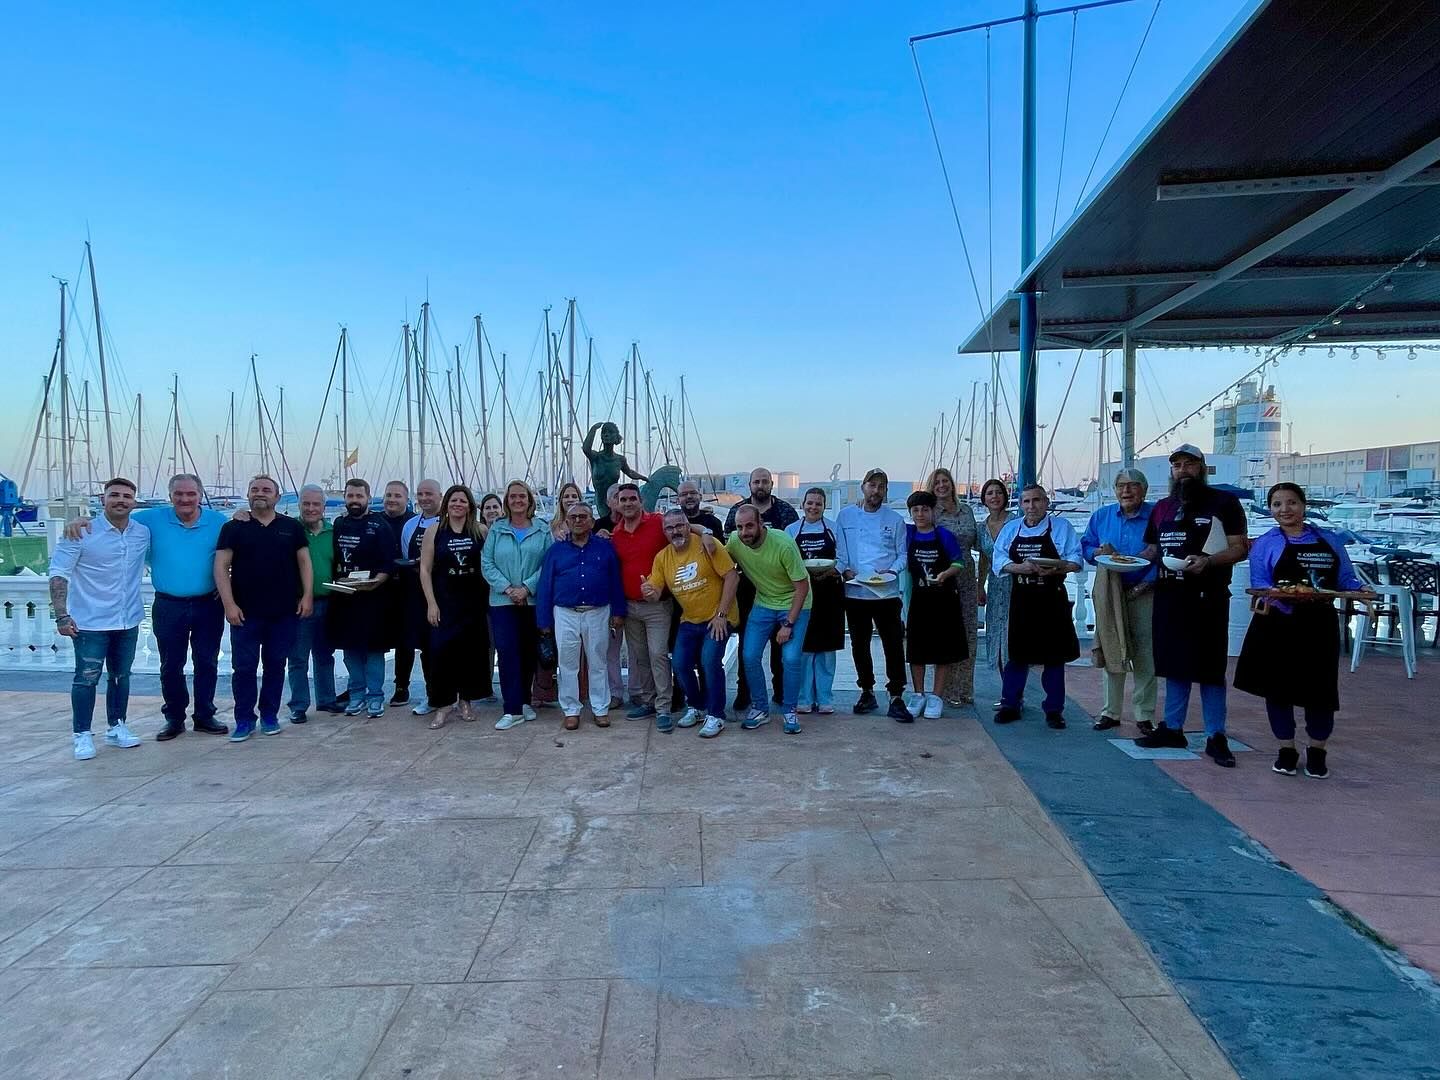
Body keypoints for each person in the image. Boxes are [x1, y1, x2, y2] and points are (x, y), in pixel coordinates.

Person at [63, 472, 231, 738]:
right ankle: (174, 718)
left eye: (191, 494)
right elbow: (115, 518)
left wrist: (243, 513)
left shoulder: (218, 521)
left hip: (208, 604)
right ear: (170, 496)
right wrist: (81, 520)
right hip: (168, 605)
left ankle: (204, 715)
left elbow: (237, 547)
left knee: (207, 662)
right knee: (170, 665)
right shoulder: (150, 520)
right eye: (179, 494)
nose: (185, 499)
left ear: (200, 495)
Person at [1234, 483, 1371, 779]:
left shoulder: (1330, 539)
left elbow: (1345, 578)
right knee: (1278, 690)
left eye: (1292, 502)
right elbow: (1261, 585)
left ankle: (1317, 751)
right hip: (1277, 625)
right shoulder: (1266, 543)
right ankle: (1286, 749)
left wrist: (1360, 589)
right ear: (1270, 509)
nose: (1285, 509)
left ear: (1304, 505)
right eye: (1277, 504)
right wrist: (1286, 600)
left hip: (1319, 625)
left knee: (1320, 691)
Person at [1133, 444, 1250, 767]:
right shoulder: (1162, 508)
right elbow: (1152, 550)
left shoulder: (1224, 502)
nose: (1183, 470)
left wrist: (1209, 561)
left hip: (1208, 596)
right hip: (1169, 596)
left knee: (1210, 669)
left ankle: (1216, 735)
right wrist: (1122, 561)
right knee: (1174, 665)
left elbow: (1240, 547)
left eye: (1189, 464)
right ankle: (1172, 728)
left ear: (1202, 468)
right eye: (1177, 465)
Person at [49, 477, 150, 760]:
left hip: (127, 619)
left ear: (134, 502)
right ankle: (81, 734)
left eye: (127, 496)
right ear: (102, 499)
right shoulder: (81, 532)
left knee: (121, 676)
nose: (121, 500)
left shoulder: (142, 532)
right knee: (86, 678)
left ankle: (117, 726)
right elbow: (59, 574)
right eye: (114, 495)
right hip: (90, 621)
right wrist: (61, 615)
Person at [214, 475, 313, 741]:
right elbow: (221, 566)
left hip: (283, 612)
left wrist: (307, 596)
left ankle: (269, 715)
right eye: (255, 489)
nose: (260, 493)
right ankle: (244, 719)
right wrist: (229, 604)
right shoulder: (234, 527)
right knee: (244, 668)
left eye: (266, 490)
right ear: (247, 494)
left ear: (277, 497)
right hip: (245, 612)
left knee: (276, 665)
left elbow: (304, 562)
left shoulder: (291, 527)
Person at [612, 482, 717, 727]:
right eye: (623, 499)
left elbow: (686, 527)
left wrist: (707, 533)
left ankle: (663, 708)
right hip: (630, 606)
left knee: (658, 654)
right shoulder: (615, 533)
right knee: (640, 658)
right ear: (617, 504)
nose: (628, 503)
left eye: (632, 498)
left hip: (658, 606)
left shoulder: (658, 522)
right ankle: (648, 701)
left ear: (641, 501)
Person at [992, 484, 1083, 729]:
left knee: (1054, 656)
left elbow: (1076, 559)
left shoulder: (1061, 527)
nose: (1031, 506)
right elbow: (998, 559)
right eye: (1027, 501)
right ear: (1021, 504)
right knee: (1017, 654)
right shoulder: (1012, 528)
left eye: (1037, 500)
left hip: (1051, 597)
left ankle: (1054, 710)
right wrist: (1019, 567)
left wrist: (1057, 568)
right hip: (1022, 597)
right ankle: (1010, 704)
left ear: (1046, 502)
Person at [645, 507, 740, 738]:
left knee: (709, 661)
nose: (675, 531)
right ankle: (697, 706)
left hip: (719, 617)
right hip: (690, 620)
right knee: (679, 663)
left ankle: (716, 715)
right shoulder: (662, 557)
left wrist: (721, 615)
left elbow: (732, 576)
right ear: (664, 532)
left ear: (688, 526)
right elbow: (655, 590)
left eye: (679, 525)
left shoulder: (707, 544)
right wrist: (649, 592)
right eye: (669, 528)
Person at [536, 501, 626, 729]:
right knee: (567, 663)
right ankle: (571, 710)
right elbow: (545, 586)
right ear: (566, 521)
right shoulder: (555, 551)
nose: (578, 520)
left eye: (583, 517)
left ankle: (600, 708)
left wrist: (618, 611)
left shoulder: (605, 548)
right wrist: (544, 621)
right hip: (565, 613)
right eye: (573, 517)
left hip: (598, 612)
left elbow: (615, 581)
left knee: (598, 661)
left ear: (592, 522)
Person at [1081, 469, 1158, 734]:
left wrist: (1145, 583)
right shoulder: (1101, 516)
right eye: (1121, 486)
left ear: (1144, 490)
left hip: (1146, 591)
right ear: (1115, 491)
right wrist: (1097, 552)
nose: (1126, 491)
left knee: (1146, 654)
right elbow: (1086, 546)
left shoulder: (1156, 516)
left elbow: (1164, 552)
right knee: (1112, 647)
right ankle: (1110, 712)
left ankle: (1144, 715)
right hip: (1110, 592)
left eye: (1133, 485)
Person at [725, 504, 811, 734]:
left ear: (761, 524)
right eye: (740, 527)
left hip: (795, 602)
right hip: (764, 602)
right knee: (749, 655)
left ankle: (790, 710)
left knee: (790, 658)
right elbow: (718, 560)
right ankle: (760, 708)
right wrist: (702, 532)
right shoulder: (734, 541)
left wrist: (788, 624)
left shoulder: (783, 544)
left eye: (749, 526)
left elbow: (802, 587)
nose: (744, 532)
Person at [837, 468, 911, 721]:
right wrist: (845, 570)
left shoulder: (895, 520)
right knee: (859, 644)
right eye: (872, 485)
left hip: (886, 592)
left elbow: (902, 554)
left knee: (893, 644)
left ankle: (896, 694)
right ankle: (866, 691)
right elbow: (841, 552)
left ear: (885, 491)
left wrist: (891, 571)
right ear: (863, 487)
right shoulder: (846, 516)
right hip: (855, 591)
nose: (876, 491)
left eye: (881, 487)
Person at [724, 467, 799, 714]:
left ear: (771, 485)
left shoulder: (785, 511)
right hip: (748, 588)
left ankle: (780, 690)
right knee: (748, 644)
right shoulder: (737, 511)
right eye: (756, 481)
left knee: (780, 644)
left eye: (765, 481)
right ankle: (745, 692)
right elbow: (728, 547)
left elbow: (793, 545)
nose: (760, 485)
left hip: (780, 588)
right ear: (750, 485)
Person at [482, 480, 553, 730]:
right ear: (507, 501)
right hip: (502, 601)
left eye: (522, 496)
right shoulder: (497, 529)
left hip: (532, 600)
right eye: (513, 496)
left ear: (529, 500)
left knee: (527, 652)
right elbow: (487, 563)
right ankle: (512, 709)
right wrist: (508, 589)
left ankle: (523, 702)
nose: (517, 500)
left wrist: (527, 588)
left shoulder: (542, 529)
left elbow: (548, 564)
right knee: (508, 653)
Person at [420, 484, 492, 729]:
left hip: (474, 602)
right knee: (441, 653)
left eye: (462, 501)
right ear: (446, 504)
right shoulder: (434, 531)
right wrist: (431, 603)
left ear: (470, 505)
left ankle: (466, 701)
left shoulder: (480, 530)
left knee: (471, 654)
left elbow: (490, 564)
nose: (458, 504)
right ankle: (443, 705)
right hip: (444, 602)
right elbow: (425, 569)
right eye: (453, 500)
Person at [327, 479, 397, 719]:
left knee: (374, 650)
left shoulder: (380, 525)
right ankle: (356, 694)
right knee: (350, 650)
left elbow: (389, 562)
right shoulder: (339, 524)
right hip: (344, 598)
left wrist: (376, 582)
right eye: (350, 496)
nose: (354, 500)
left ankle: (375, 696)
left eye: (359, 496)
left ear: (368, 497)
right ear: (345, 498)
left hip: (373, 598)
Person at [902, 490, 969, 721]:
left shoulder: (944, 535)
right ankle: (918, 694)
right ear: (911, 513)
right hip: (919, 599)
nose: (920, 514)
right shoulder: (908, 534)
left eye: (925, 509)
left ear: (933, 512)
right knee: (916, 650)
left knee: (943, 650)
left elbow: (958, 563)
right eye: (916, 510)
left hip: (944, 599)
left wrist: (945, 574)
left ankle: (936, 696)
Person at [785, 487, 847, 714]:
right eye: (810, 503)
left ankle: (825, 698)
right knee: (804, 648)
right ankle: (803, 698)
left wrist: (830, 571)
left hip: (830, 593)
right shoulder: (791, 530)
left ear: (824, 506)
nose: (813, 507)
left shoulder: (834, 528)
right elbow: (785, 560)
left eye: (818, 504)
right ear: (803, 505)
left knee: (827, 650)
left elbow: (843, 558)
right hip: (802, 594)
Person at [925, 467, 982, 706]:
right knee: (945, 636)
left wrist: (982, 582)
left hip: (967, 577)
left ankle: (964, 689)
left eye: (945, 481)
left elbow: (980, 543)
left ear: (951, 483)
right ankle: (945, 691)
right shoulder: (930, 512)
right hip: (942, 578)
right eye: (937, 482)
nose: (941, 485)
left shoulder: (966, 510)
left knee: (969, 634)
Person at [285, 484, 339, 724]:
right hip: (298, 604)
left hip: (328, 602)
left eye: (316, 504)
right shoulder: (290, 530)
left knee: (325, 655)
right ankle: (298, 705)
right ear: (299, 505)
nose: (310, 508)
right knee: (298, 658)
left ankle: (327, 699)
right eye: (306, 504)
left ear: (324, 507)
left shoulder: (333, 532)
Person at [397, 479, 443, 716]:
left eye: (429, 494)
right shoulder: (410, 525)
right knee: (427, 646)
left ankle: (456, 695)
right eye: (420, 494)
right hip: (419, 592)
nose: (424, 498)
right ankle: (432, 695)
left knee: (447, 646)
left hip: (446, 591)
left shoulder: (448, 523)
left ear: (440, 496)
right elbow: (407, 555)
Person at [378, 479, 418, 707]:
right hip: (377, 589)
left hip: (407, 588)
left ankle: (402, 686)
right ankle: (363, 685)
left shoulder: (414, 523)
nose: (392, 500)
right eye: (388, 495)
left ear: (406, 499)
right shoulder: (375, 520)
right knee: (374, 638)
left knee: (405, 640)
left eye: (397, 496)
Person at [976, 479, 1017, 686]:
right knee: (996, 636)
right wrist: (980, 586)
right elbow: (984, 558)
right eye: (990, 493)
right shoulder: (981, 528)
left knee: (1013, 637)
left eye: (998, 492)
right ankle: (1006, 691)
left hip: (1016, 584)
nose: (994, 497)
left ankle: (1015, 692)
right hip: (995, 585)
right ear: (984, 499)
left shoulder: (1015, 522)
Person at [477, 492, 504, 702]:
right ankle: (485, 687)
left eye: (495, 507)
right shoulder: (476, 535)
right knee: (486, 645)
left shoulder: (505, 533)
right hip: (480, 598)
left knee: (504, 644)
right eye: (488, 507)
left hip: (503, 595)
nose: (492, 511)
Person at [584, 420, 648, 505]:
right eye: (604, 432)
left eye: (610, 432)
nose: (606, 435)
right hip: (600, 501)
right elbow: (586, 449)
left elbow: (630, 472)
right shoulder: (596, 457)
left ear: (616, 437)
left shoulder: (620, 459)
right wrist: (593, 429)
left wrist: (644, 478)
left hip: (615, 500)